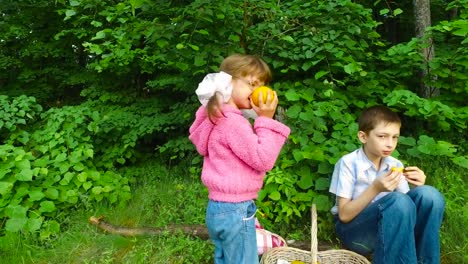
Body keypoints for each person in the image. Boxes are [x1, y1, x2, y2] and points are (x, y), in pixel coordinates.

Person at [189, 54, 291, 264]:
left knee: (225, 259)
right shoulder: (232, 123)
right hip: (236, 210)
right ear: (227, 83)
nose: (257, 91)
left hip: (217, 208)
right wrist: (265, 119)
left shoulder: (216, 117)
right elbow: (263, 159)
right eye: (252, 84)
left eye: (261, 85)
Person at [329, 105, 445, 264]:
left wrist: (419, 187)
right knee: (397, 201)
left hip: (392, 229)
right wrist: (375, 189)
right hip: (354, 231)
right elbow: (344, 215)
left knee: (430, 196)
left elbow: (405, 211)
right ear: (363, 137)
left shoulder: (394, 164)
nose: (390, 144)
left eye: (395, 137)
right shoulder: (348, 163)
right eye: (382, 136)